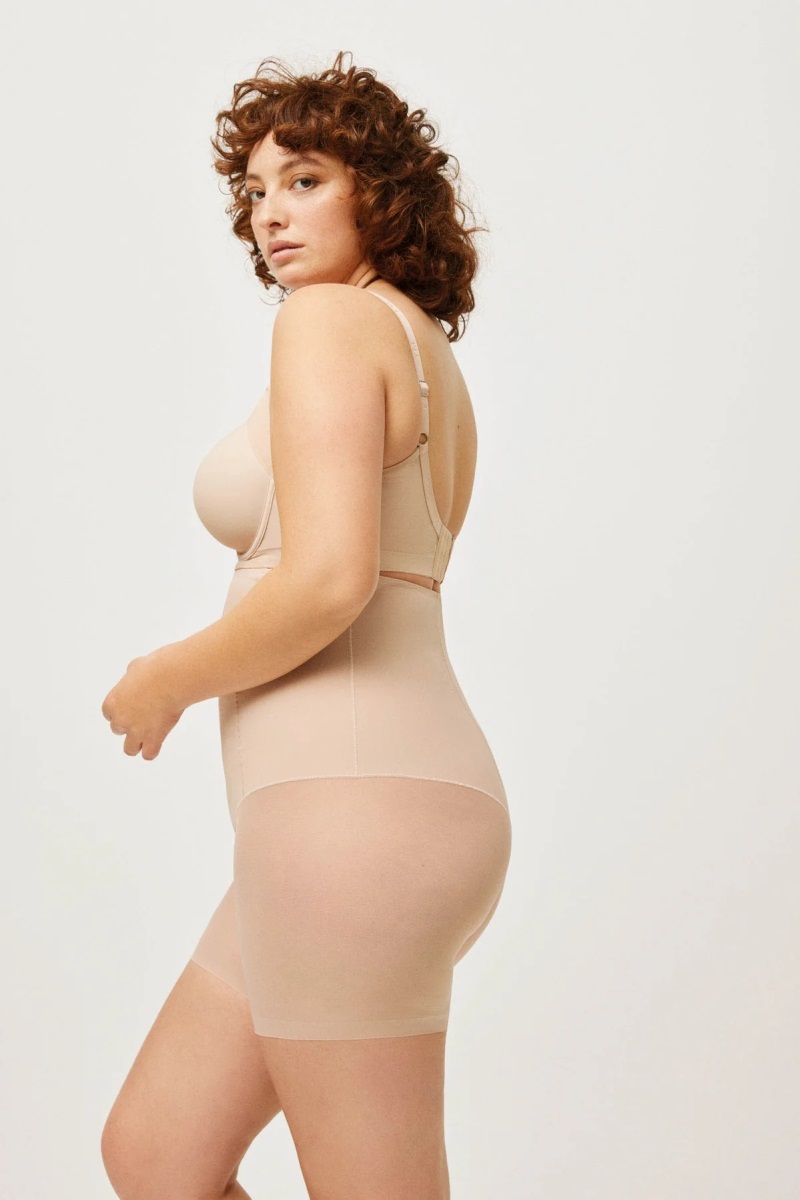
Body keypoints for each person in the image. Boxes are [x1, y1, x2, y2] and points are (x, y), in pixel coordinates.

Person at [99, 50, 512, 1200]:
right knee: (158, 1153)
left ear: (379, 190)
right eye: (254, 192)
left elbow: (329, 580)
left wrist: (166, 678)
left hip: (352, 826)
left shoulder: (328, 321)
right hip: (362, 815)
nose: (268, 214)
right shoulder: (410, 343)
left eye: (305, 179)